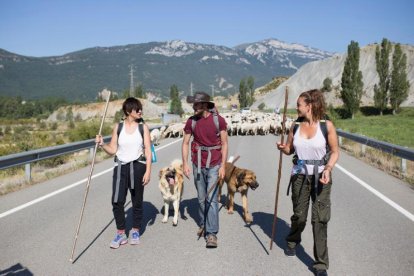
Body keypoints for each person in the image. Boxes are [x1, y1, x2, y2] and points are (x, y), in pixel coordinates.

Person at [276, 89, 339, 276]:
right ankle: (293, 239)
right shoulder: (295, 126)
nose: (297, 108)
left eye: (299, 105)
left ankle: (320, 264)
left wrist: (328, 169)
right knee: (300, 214)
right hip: (300, 175)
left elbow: (335, 151)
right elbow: (289, 149)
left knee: (319, 219)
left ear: (309, 106)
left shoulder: (326, 126)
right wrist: (283, 148)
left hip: (321, 176)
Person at [96, 97, 152, 249]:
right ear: (128, 111)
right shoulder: (118, 127)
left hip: (138, 167)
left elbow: (148, 150)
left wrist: (148, 171)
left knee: (137, 201)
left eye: (141, 109)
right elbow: (113, 149)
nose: (140, 111)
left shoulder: (143, 128)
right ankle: (121, 233)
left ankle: (135, 230)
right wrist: (102, 145)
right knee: (117, 201)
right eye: (137, 109)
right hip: (120, 168)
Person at [182, 91, 228, 248]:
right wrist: (185, 163)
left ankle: (212, 233)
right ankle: (203, 223)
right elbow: (185, 143)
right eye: (193, 104)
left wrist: (223, 166)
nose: (194, 107)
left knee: (211, 199)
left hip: (214, 164)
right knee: (201, 198)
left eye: (196, 104)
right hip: (197, 164)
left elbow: (225, 143)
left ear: (204, 105)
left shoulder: (219, 121)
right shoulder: (191, 122)